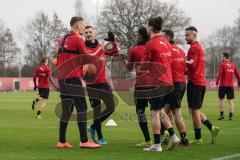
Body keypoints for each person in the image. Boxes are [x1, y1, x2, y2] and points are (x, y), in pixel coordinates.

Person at [56, 17, 101, 149]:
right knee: (82, 107)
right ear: (78, 25)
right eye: (83, 26)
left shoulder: (62, 40)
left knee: (67, 110)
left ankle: (62, 141)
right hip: (73, 77)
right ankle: (84, 140)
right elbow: (87, 57)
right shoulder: (77, 39)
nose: (84, 28)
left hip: (62, 78)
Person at [140, 17, 180, 152]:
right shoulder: (167, 43)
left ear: (150, 27)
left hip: (157, 83)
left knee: (154, 113)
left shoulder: (150, 44)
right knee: (162, 111)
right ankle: (174, 137)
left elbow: (144, 66)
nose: (146, 28)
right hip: (168, 82)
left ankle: (156, 145)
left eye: (147, 26)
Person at [185, 26, 220, 144]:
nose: (186, 37)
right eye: (185, 35)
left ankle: (198, 138)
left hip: (195, 82)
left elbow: (192, 64)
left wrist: (181, 62)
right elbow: (193, 64)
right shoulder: (197, 47)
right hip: (199, 81)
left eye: (187, 35)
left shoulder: (194, 48)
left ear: (194, 35)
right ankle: (212, 128)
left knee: (193, 111)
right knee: (193, 110)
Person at [84, 26, 118, 145]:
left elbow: (115, 53)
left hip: (103, 83)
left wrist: (112, 41)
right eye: (86, 32)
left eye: (90, 32)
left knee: (111, 106)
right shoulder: (82, 48)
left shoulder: (101, 47)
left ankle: (93, 127)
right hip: (91, 85)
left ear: (94, 33)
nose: (88, 34)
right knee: (97, 111)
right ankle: (100, 137)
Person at [123, 27, 152, 147]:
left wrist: (123, 59)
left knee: (140, 111)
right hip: (156, 83)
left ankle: (147, 139)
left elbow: (128, 68)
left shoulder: (134, 50)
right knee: (159, 111)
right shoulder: (153, 47)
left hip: (141, 84)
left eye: (137, 35)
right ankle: (166, 134)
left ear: (140, 36)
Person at [162, 29, 189, 146]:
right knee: (170, 111)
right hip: (182, 83)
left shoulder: (167, 50)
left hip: (173, 84)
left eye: (163, 37)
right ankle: (175, 137)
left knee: (165, 111)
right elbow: (185, 69)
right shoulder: (181, 50)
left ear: (168, 37)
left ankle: (173, 137)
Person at [216, 52, 240, 120]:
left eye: (221, 56)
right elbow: (238, 75)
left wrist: (217, 82)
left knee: (221, 100)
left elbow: (220, 74)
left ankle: (221, 115)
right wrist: (239, 82)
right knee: (230, 101)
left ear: (224, 57)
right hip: (230, 86)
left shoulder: (222, 65)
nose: (221, 58)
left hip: (223, 85)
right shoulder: (233, 65)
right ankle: (230, 116)